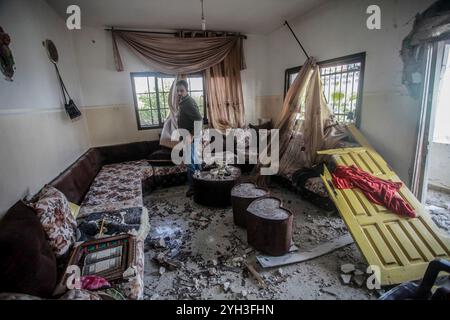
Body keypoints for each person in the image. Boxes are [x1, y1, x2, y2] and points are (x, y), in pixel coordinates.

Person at [176, 79, 203, 197]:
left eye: (181, 90)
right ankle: (201, 183)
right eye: (178, 91)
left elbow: (199, 119)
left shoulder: (188, 102)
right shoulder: (183, 101)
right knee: (194, 161)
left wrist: (191, 135)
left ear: (186, 90)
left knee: (190, 163)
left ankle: (193, 187)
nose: (179, 93)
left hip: (190, 137)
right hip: (188, 136)